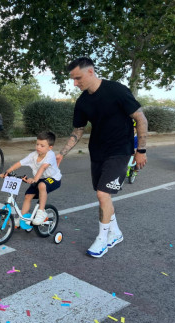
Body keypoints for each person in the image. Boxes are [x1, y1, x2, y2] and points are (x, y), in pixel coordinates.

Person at [56, 57, 148, 258]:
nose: (75, 83)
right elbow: (78, 130)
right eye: (72, 79)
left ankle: (102, 240)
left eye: (78, 78)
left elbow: (141, 118)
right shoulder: (82, 101)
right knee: (102, 195)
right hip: (97, 152)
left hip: (120, 151)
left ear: (91, 72)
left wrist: (141, 150)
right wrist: (62, 153)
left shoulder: (117, 90)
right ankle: (115, 233)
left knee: (102, 194)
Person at [0, 131, 62, 226]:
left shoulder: (50, 155)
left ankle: (41, 212)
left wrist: (34, 179)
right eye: (37, 144)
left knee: (42, 185)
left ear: (50, 148)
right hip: (39, 178)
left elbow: (43, 168)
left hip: (53, 178)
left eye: (42, 145)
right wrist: (7, 172)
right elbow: (19, 163)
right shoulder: (33, 155)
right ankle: (23, 218)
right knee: (28, 196)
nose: (38, 147)